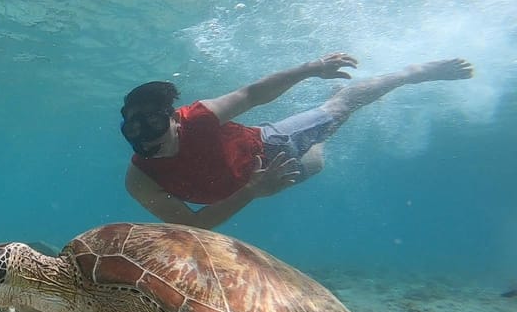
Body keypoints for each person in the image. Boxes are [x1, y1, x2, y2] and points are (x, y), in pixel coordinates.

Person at [120, 53, 473, 229]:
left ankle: (415, 73)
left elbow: (253, 93)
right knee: (317, 163)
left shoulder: (198, 117)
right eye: (143, 145)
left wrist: (311, 68)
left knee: (341, 107)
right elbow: (194, 226)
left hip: (270, 143)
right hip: (260, 181)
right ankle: (323, 130)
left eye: (161, 140)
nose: (155, 151)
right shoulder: (140, 179)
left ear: (174, 120)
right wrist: (252, 192)